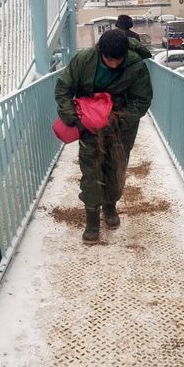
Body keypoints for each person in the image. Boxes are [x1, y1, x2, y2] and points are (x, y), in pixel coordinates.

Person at [55, 29, 153, 244]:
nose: (114, 65)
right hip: (89, 126)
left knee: (116, 170)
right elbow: (63, 88)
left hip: (121, 129)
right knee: (91, 171)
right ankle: (92, 219)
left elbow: (142, 100)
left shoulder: (136, 65)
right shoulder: (83, 61)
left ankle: (110, 206)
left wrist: (118, 119)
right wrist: (74, 119)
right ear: (100, 52)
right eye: (109, 60)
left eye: (119, 60)